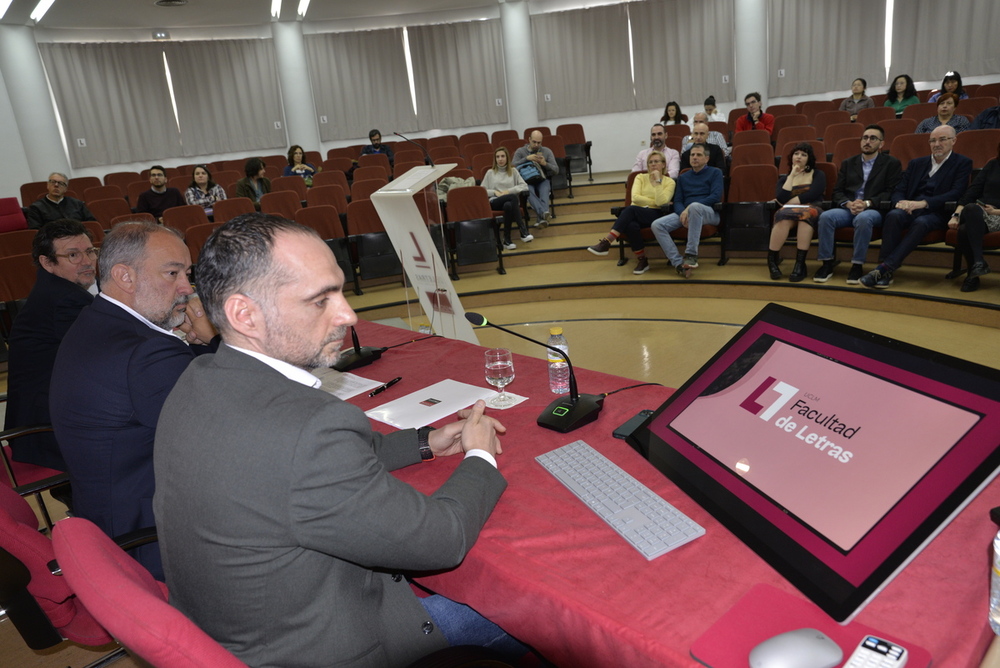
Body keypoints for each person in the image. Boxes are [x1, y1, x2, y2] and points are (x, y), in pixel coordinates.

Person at [153, 214, 524, 668]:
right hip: (326, 645)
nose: (348, 315)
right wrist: (480, 455)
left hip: (243, 632)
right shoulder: (308, 431)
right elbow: (440, 540)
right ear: (244, 314)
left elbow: (307, 468)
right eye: (320, 301)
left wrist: (427, 440)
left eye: (341, 292)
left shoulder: (200, 378)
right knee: (531, 623)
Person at [50, 221, 217, 580]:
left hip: (109, 514)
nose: (188, 288)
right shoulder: (147, 352)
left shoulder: (97, 319)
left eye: (187, 273)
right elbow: (232, 422)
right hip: (151, 540)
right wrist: (215, 341)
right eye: (172, 273)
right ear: (124, 277)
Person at [5, 220, 97, 471]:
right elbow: (104, 356)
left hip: (47, 417)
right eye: (73, 255)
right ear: (47, 263)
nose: (87, 261)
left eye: (90, 251)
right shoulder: (65, 300)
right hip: (49, 431)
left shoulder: (57, 290)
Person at [860, 126, 973, 289]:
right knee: (893, 215)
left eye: (942, 139)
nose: (937, 144)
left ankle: (884, 269)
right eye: (933, 140)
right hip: (911, 208)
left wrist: (925, 203)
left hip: (939, 212)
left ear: (953, 141)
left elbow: (956, 193)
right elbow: (899, 189)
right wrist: (901, 202)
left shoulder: (962, 163)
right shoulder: (916, 163)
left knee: (922, 222)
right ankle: (886, 269)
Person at [814, 125, 902, 284]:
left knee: (863, 219)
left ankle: (857, 264)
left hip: (874, 209)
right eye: (865, 138)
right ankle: (827, 263)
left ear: (881, 144)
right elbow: (837, 191)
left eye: (873, 138)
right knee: (826, 216)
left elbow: (890, 192)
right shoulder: (848, 163)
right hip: (850, 208)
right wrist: (848, 204)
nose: (867, 141)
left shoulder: (891, 163)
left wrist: (867, 203)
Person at [587, 151, 675, 275]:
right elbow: (635, 198)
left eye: (656, 161)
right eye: (650, 162)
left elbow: (662, 202)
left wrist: (658, 182)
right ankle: (642, 260)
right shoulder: (640, 177)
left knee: (630, 209)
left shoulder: (669, 182)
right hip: (636, 212)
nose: (653, 164)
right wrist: (653, 201)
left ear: (663, 164)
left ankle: (606, 242)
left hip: (655, 214)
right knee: (630, 225)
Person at [652, 144, 723, 279]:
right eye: (692, 155)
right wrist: (683, 213)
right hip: (686, 212)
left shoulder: (715, 172)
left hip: (710, 213)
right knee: (657, 225)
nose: (694, 157)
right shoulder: (683, 177)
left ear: (706, 158)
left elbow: (715, 197)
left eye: (699, 155)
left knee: (695, 206)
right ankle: (678, 263)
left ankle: (691, 255)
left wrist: (689, 208)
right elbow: (678, 200)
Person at [768, 143, 826, 282]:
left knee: (804, 216)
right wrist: (792, 175)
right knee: (782, 216)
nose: (799, 157)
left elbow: (814, 193)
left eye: (803, 155)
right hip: (789, 211)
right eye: (796, 154)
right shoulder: (784, 178)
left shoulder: (818, 174)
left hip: (812, 207)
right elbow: (781, 198)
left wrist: (793, 201)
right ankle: (772, 261)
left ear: (809, 159)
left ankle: (800, 264)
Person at [946, 143, 1000, 292]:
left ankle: (972, 275)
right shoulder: (993, 164)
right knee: (971, 208)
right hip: (981, 213)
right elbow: (973, 191)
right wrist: (956, 215)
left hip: (997, 215)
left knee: (964, 230)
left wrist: (996, 212)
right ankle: (978, 262)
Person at [481, 146, 531, 249]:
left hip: (510, 203)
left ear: (507, 158)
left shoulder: (513, 171)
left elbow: (524, 186)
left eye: (503, 156)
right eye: (497, 157)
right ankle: (523, 231)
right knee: (512, 197)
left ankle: (507, 240)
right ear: (495, 159)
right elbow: (482, 191)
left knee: (508, 205)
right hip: (494, 202)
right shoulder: (490, 173)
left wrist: (508, 191)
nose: (500, 159)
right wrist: (495, 192)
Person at [513, 130, 559, 227]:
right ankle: (544, 213)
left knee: (545, 190)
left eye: (539, 142)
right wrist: (526, 159)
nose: (536, 144)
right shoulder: (520, 151)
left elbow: (556, 170)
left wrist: (545, 164)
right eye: (534, 142)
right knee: (528, 190)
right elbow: (512, 166)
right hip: (526, 181)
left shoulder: (546, 151)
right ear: (529, 139)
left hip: (542, 179)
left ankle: (541, 218)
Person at [24, 172, 96, 230]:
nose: (56, 185)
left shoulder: (77, 203)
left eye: (61, 183)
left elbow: (91, 223)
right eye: (53, 182)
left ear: (65, 189)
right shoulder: (36, 208)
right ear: (48, 185)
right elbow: (35, 231)